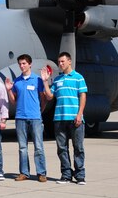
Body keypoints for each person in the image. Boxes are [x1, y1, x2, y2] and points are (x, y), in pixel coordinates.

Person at [41, 52, 88, 185]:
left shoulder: (78, 78)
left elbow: (83, 96)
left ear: (69, 61)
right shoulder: (57, 80)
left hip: (75, 118)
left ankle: (80, 175)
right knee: (62, 148)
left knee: (78, 147)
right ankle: (66, 174)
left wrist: (80, 114)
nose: (60, 64)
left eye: (62, 61)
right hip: (59, 119)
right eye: (59, 62)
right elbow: (50, 96)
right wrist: (45, 81)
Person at [5, 54, 47, 182]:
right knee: (22, 147)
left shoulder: (37, 80)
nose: (22, 66)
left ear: (30, 64)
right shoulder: (17, 81)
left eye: (24, 63)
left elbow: (43, 98)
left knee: (38, 146)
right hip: (20, 117)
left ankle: (41, 173)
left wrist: (40, 111)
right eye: (20, 64)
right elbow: (13, 101)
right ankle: (24, 173)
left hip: (35, 118)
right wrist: (8, 90)